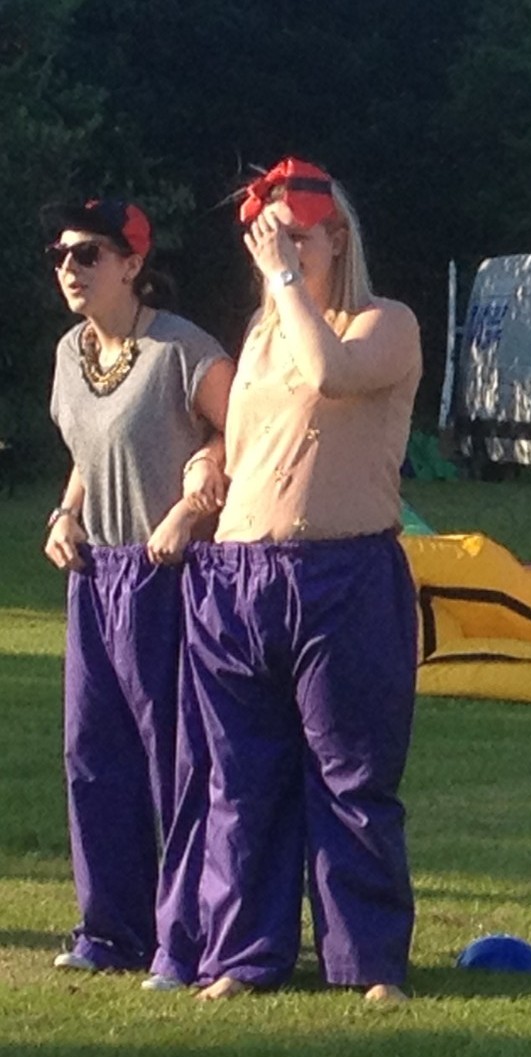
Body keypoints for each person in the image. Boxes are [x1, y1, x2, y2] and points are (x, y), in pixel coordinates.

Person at [152, 159, 422, 1002]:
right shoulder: (264, 334)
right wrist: (207, 469)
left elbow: (332, 375)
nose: (280, 249)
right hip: (239, 576)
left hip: (341, 569)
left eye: (298, 235)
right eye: (270, 236)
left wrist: (286, 282)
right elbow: (249, 438)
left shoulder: (385, 322)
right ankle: (245, 954)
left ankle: (368, 959)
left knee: (351, 775)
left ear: (336, 240)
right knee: (241, 777)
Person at [40, 197, 232, 983]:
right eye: (59, 254)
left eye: (87, 254)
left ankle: (181, 938)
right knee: (93, 754)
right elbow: (89, 451)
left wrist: (195, 498)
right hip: (96, 574)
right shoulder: (69, 354)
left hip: (169, 573)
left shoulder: (180, 350)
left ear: (131, 263)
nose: (69, 268)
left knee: (176, 760)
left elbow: (246, 430)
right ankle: (109, 931)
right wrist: (64, 512)